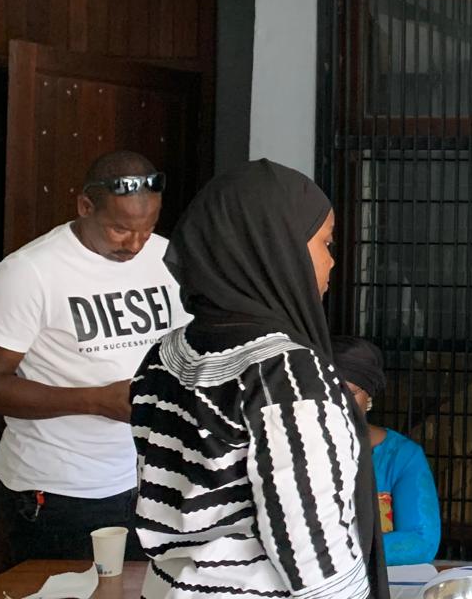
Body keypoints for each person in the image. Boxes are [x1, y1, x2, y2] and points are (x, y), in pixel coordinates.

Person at [130, 160, 387, 598]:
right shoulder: (287, 375)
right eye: (325, 243)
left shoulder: (165, 355)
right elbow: (315, 558)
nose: (332, 261)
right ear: (276, 248)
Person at [0, 150, 187, 570]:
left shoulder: (167, 257)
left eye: (147, 229)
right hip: (58, 489)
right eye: (119, 229)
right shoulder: (29, 272)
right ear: (84, 206)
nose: (134, 245)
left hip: (151, 480)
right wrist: (95, 401)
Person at [333, 335, 442, 566]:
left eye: (350, 393)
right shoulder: (293, 450)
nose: (338, 403)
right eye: (327, 392)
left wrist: (332, 554)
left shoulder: (402, 457)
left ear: (369, 395)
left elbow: (421, 543)